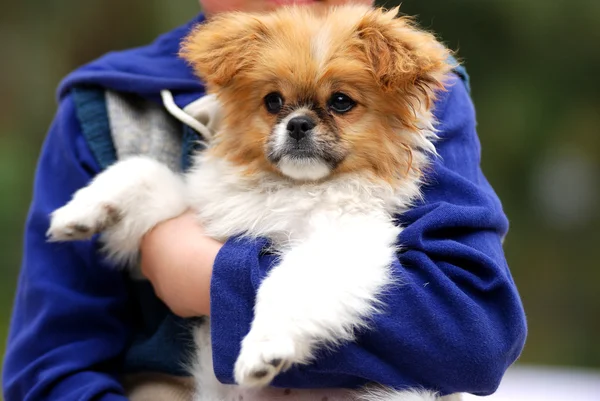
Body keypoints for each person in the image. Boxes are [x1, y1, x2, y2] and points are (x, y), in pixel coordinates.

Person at [2, 0, 527, 400]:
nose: (298, 125)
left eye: (340, 104)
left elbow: (476, 335)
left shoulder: (430, 101)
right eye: (275, 103)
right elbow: (48, 369)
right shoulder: (109, 106)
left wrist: (213, 279)